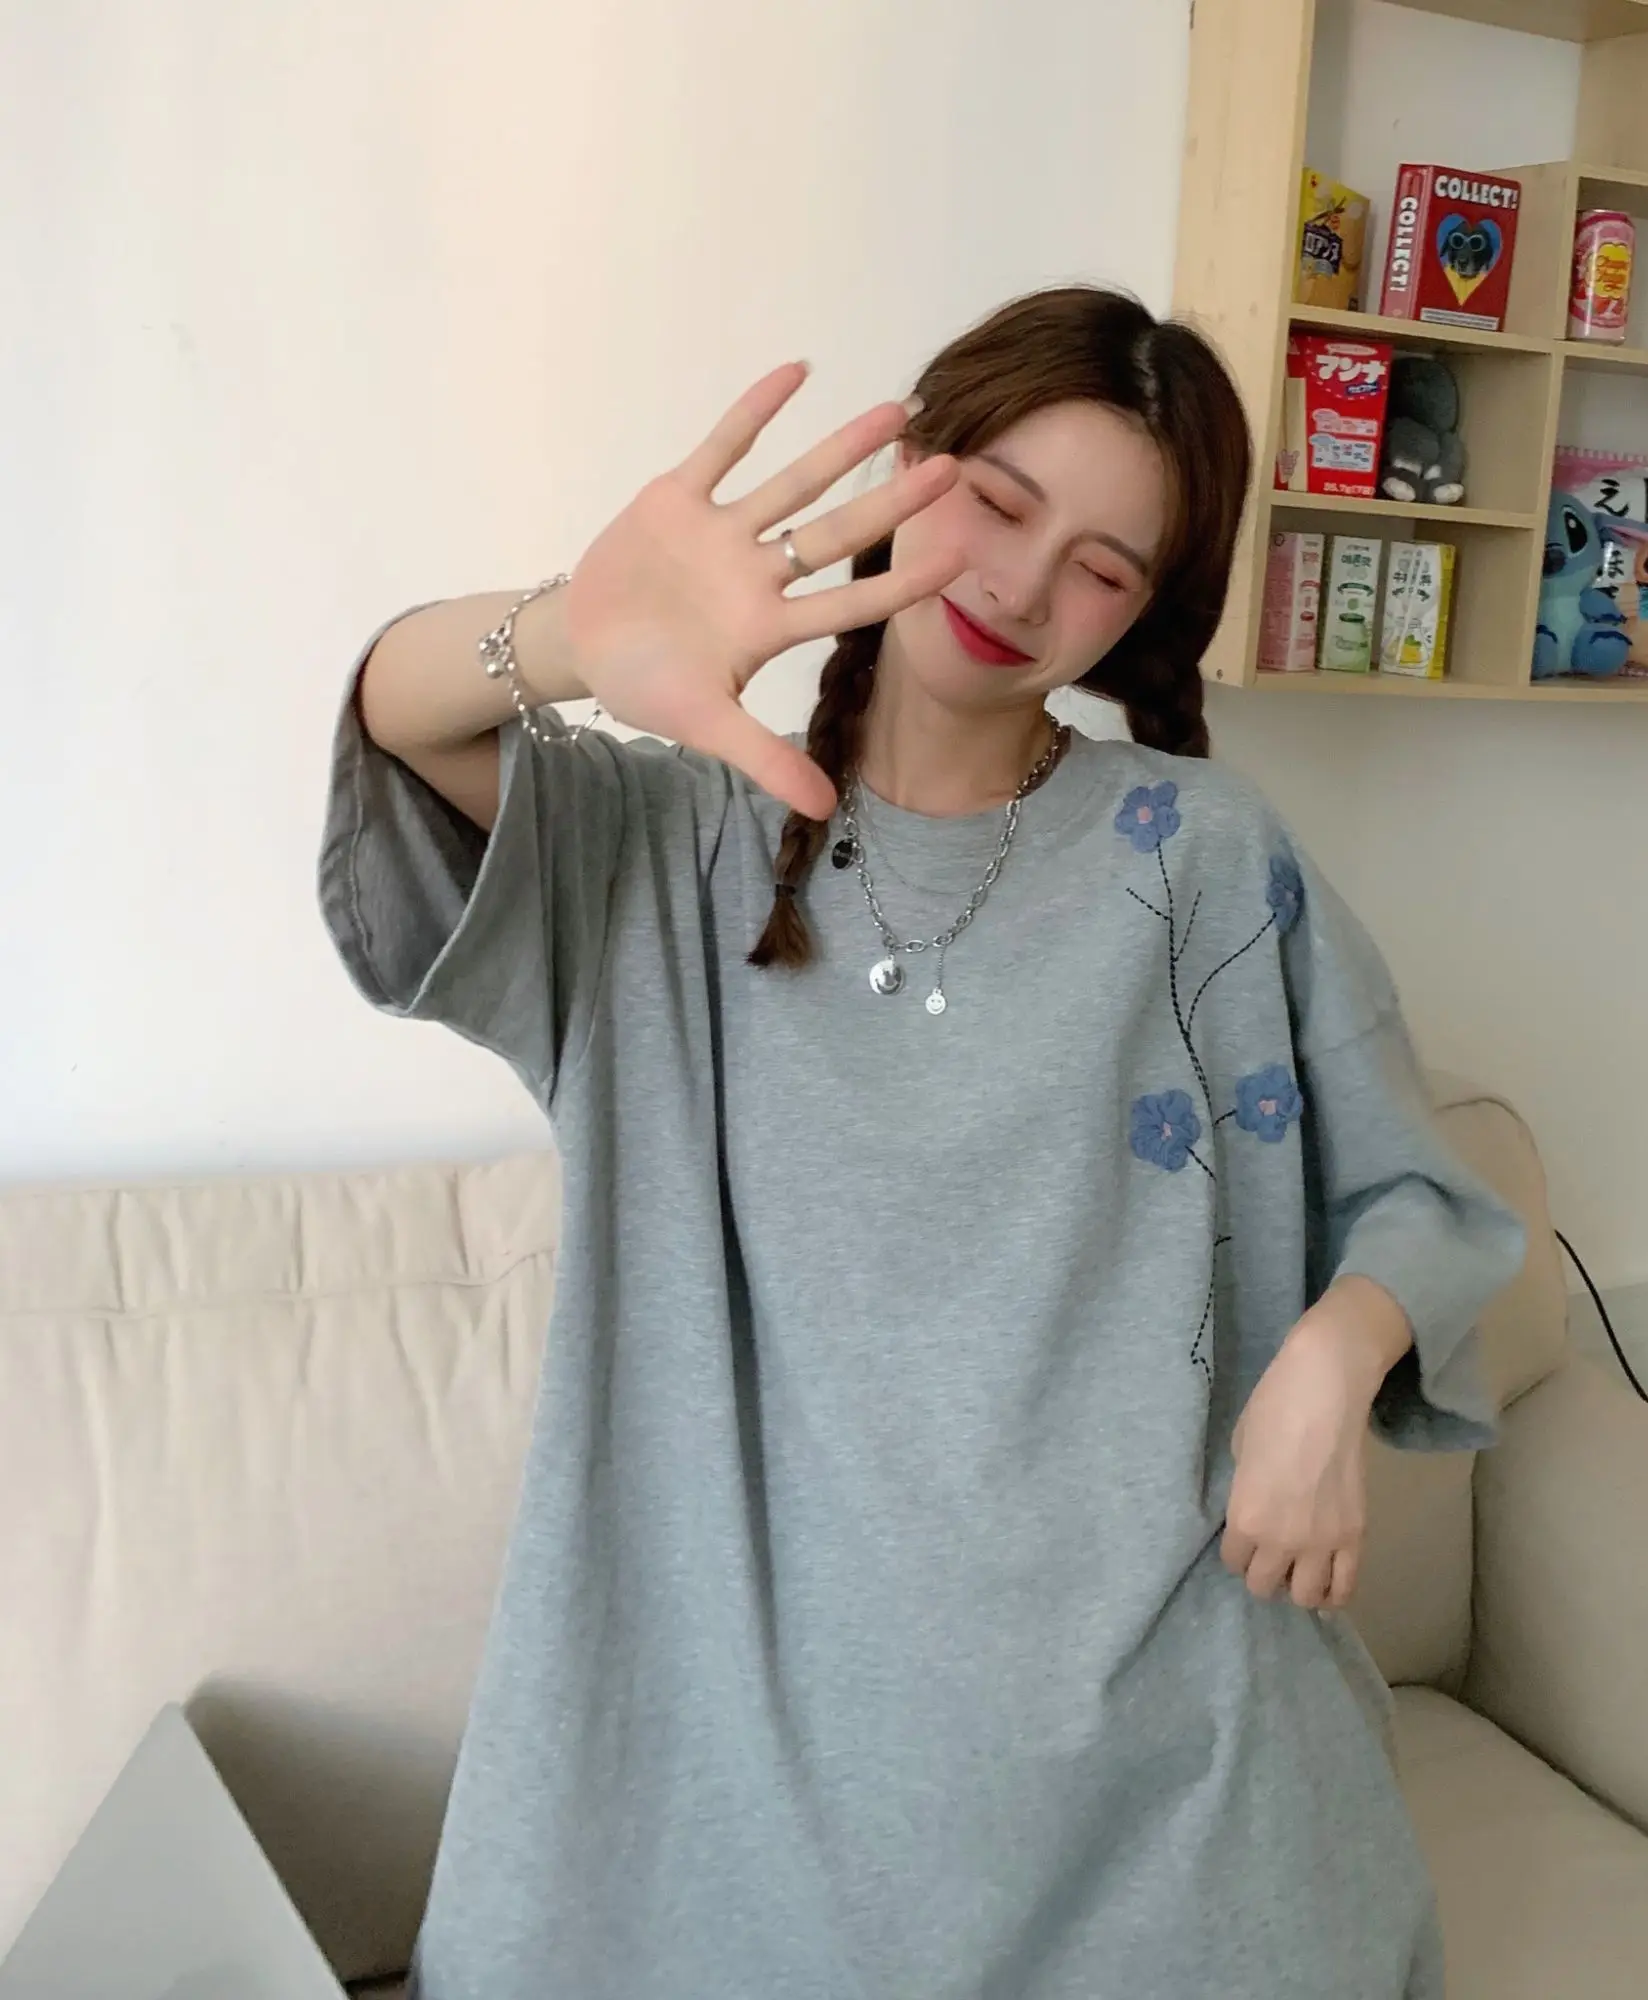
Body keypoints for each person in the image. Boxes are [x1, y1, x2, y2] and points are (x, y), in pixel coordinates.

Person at [319, 285, 1523, 1999]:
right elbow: (403, 722)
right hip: (730, 1772)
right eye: (1001, 504)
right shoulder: (664, 848)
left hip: (1159, 1772)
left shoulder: (1200, 856)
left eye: (1102, 568)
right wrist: (579, 636)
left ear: (1144, 615)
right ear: (913, 468)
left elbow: (1419, 1192)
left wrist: (1337, 1354)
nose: (1022, 586)